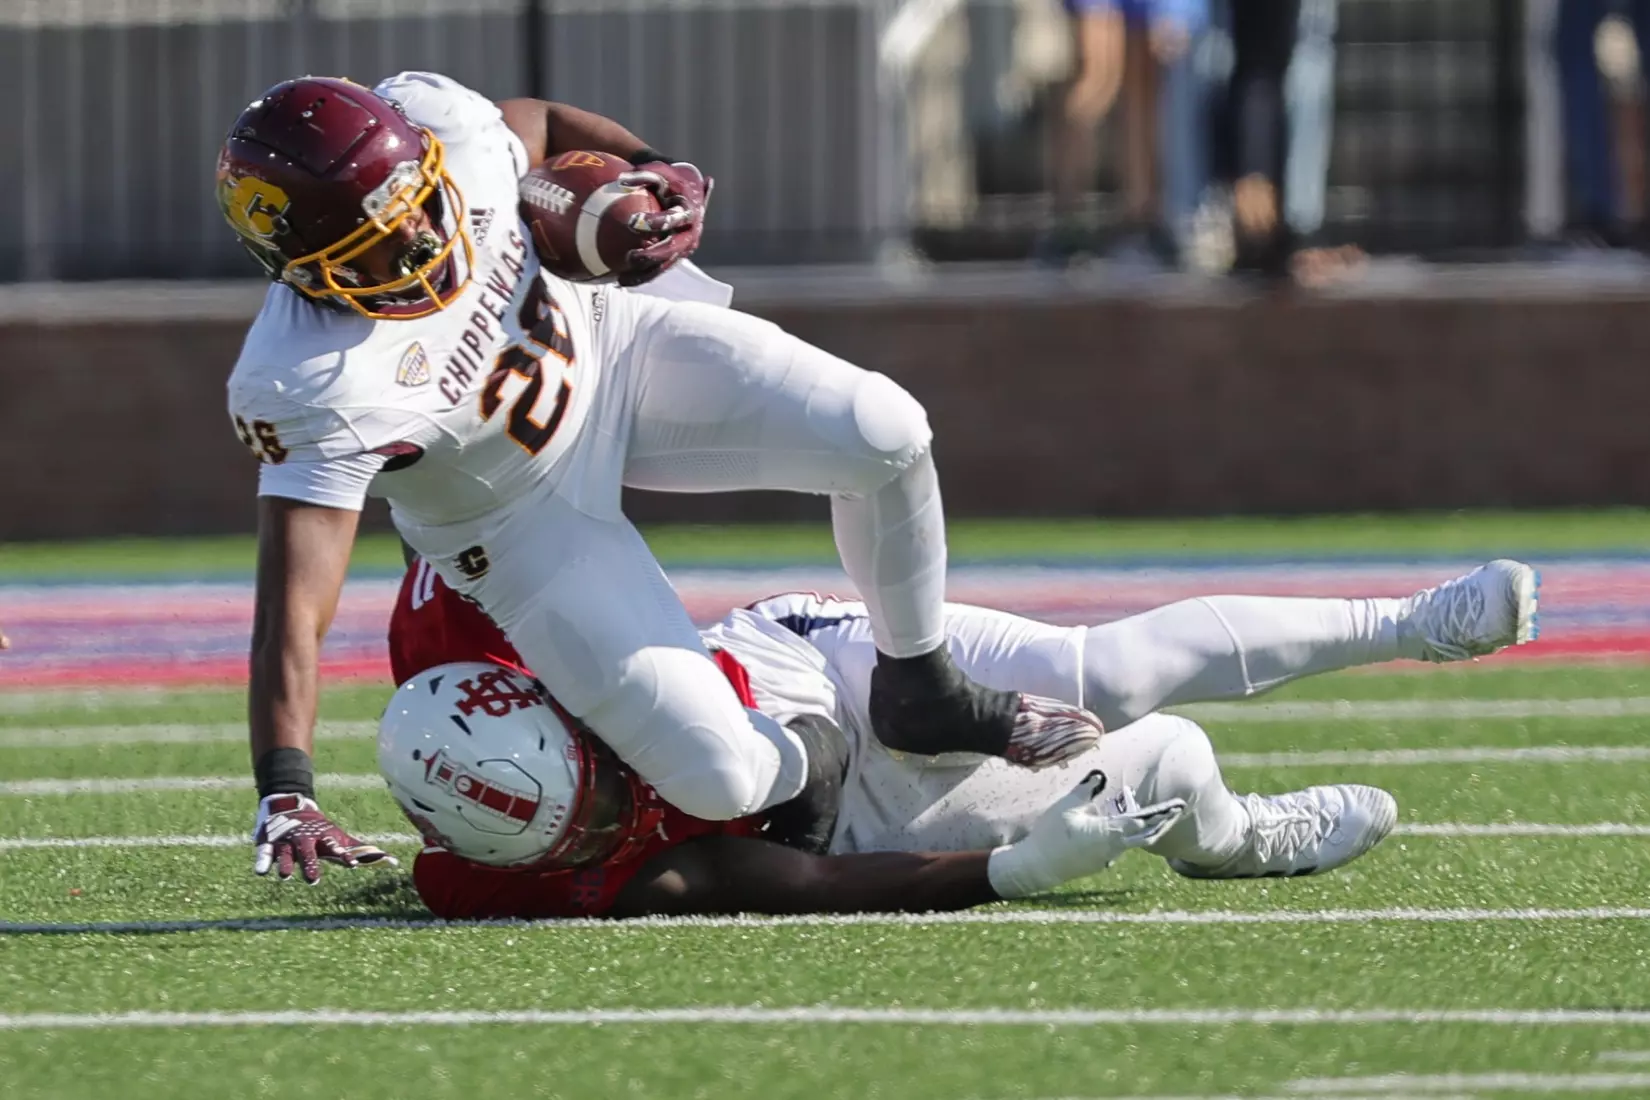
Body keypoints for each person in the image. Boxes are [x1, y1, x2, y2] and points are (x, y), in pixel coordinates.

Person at [222, 72, 1102, 884]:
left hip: (618, 355)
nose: (420, 242)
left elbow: (536, 123)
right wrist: (285, 787)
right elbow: (294, 608)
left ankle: (921, 685)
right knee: (725, 781)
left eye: (418, 208)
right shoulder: (313, 379)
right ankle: (815, 738)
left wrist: (648, 167)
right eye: (377, 247)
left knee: (885, 429)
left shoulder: (446, 130)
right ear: (301, 266)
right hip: (523, 522)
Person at [364, 554, 1538, 916]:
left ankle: (1412, 619)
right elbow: (796, 871)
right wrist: (1014, 871)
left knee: (1107, 668)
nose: (625, 809)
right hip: (860, 815)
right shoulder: (507, 877)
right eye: (594, 828)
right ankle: (1235, 839)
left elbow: (815, 743)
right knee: (1172, 761)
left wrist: (968, 716)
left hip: (811, 673)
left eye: (606, 782)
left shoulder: (515, 630)